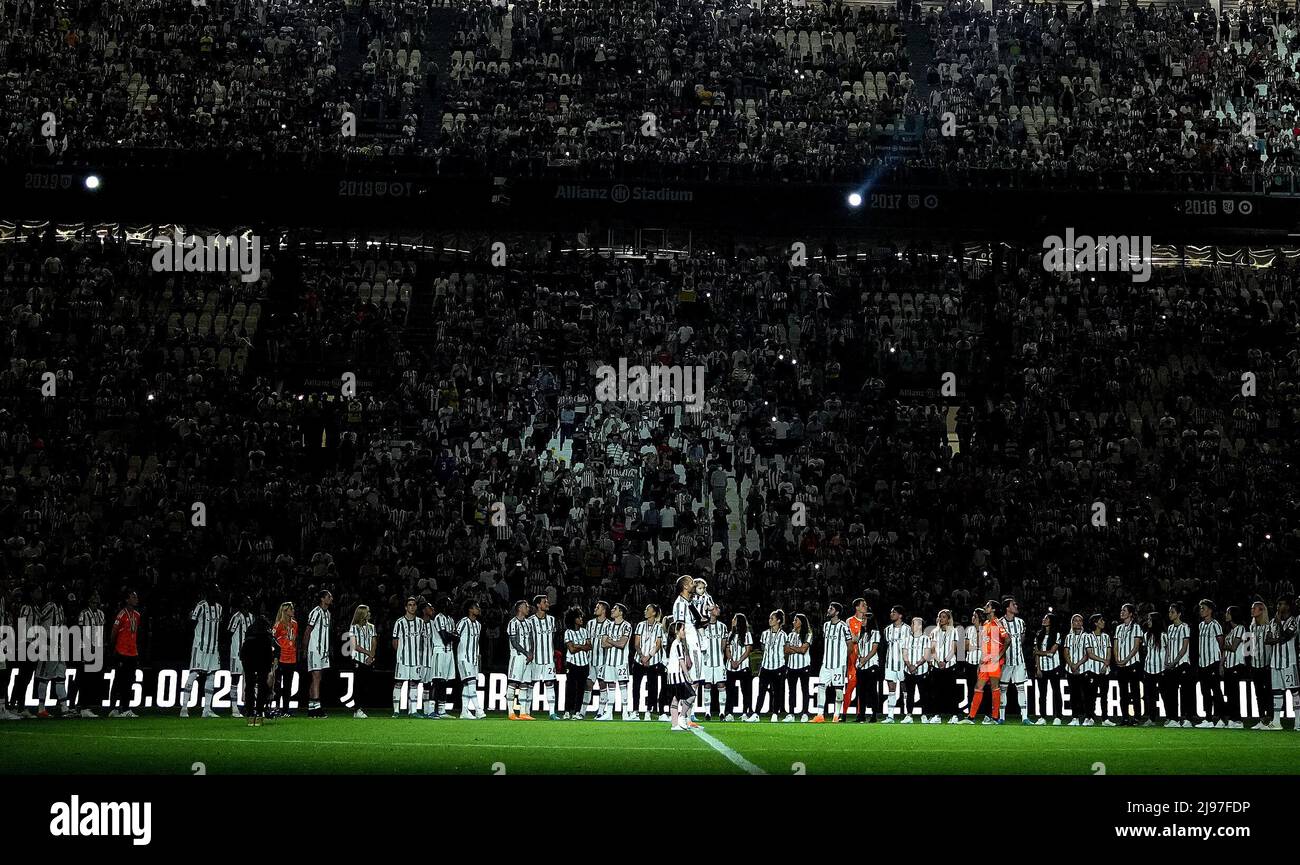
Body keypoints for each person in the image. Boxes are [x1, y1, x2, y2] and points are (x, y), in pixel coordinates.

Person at [181, 586, 223, 719]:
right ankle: (184, 708)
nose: (216, 593)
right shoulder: (200, 606)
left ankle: (207, 709)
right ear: (208, 593)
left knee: (212, 675)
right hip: (200, 646)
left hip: (213, 647)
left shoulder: (219, 608)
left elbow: (218, 628)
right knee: (193, 673)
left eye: (217, 591)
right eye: (214, 591)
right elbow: (191, 624)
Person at [964, 600, 1008, 725]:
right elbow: (984, 645)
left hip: (994, 662)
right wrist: (980, 662)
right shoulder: (987, 623)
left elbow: (1008, 640)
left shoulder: (997, 623)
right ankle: (971, 717)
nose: (985, 607)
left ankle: (994, 718)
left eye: (987, 606)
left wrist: (998, 656)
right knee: (978, 687)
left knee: (994, 687)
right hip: (985, 662)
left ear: (993, 609)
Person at [33, 589, 71, 718]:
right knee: (44, 677)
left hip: (59, 647)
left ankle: (64, 708)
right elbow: (37, 619)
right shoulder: (50, 606)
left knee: (60, 677)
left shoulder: (60, 608)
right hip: (48, 647)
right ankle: (41, 709)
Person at [811, 602, 851, 723]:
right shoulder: (826, 625)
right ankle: (820, 715)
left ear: (837, 612)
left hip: (838, 665)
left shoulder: (844, 626)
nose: (828, 610)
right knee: (821, 687)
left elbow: (850, 645)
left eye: (831, 608)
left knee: (838, 690)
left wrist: (843, 659)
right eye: (829, 607)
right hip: (826, 664)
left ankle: (836, 715)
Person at [1263, 595, 1298, 731]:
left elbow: (1286, 637)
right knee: (1277, 692)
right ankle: (1277, 722)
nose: (1279, 607)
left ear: (1288, 606)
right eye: (1278, 604)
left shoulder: (1292, 621)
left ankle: (1298, 722)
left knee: (1294, 691)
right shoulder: (1272, 622)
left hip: (1289, 662)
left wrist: (1278, 629)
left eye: (1282, 604)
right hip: (1275, 662)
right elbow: (1267, 640)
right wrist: (1279, 637)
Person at [107, 590, 141, 719]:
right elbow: (113, 633)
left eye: (136, 596)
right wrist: (114, 649)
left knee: (129, 681)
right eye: (133, 597)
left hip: (133, 653)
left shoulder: (137, 615)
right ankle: (113, 708)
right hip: (121, 652)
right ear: (127, 600)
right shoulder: (121, 614)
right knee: (119, 681)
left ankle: (125, 708)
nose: (136, 599)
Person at [240, 616, 279, 727]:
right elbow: (272, 645)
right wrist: (272, 660)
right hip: (263, 654)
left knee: (250, 685)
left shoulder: (250, 628)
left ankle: (250, 713)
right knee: (262, 685)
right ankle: (259, 712)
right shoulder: (267, 630)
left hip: (248, 655)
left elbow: (245, 644)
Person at [71, 592, 105, 719]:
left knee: (91, 679)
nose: (95, 600)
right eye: (93, 598)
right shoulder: (84, 613)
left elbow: (102, 631)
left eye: (97, 598)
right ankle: (79, 706)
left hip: (97, 649)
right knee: (82, 678)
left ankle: (84, 705)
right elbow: (80, 630)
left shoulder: (101, 614)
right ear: (89, 601)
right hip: (85, 649)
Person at [1195, 599, 1228, 728]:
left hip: (1213, 662)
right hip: (1202, 663)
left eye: (1203, 608)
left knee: (1216, 691)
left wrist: (1221, 663)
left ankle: (1220, 718)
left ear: (1210, 610)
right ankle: (1208, 718)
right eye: (1200, 608)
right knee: (1205, 692)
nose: (1201, 610)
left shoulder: (1216, 625)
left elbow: (1222, 645)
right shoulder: (1201, 625)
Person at [598, 603, 634, 721]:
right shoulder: (608, 625)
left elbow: (622, 644)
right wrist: (615, 641)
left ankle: (625, 713)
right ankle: (609, 713)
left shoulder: (627, 626)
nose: (612, 610)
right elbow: (603, 644)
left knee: (623, 686)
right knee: (610, 686)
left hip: (621, 661)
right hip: (609, 661)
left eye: (615, 609)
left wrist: (610, 640)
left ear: (621, 612)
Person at [998, 597, 1030, 725]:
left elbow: (1022, 640)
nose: (1016, 606)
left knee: (1021, 688)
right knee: (1003, 689)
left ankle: (1025, 717)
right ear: (1007, 608)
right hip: (1005, 662)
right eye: (1013, 604)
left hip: (1019, 661)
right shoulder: (1000, 623)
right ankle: (1001, 717)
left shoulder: (1021, 622)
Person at [632, 603, 666, 721]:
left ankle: (648, 711)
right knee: (636, 686)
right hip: (639, 659)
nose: (645, 611)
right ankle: (635, 711)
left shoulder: (659, 627)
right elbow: (636, 644)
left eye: (648, 609)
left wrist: (648, 657)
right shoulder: (640, 625)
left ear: (654, 613)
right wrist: (642, 656)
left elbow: (658, 645)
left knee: (653, 687)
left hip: (653, 661)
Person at [1163, 602, 1194, 728]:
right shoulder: (1170, 628)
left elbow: (1184, 647)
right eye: (1169, 612)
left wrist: (1174, 662)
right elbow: (1168, 647)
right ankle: (1173, 718)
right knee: (1171, 693)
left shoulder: (1185, 627)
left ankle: (1187, 718)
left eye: (1172, 612)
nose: (1170, 614)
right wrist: (1166, 660)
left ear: (1179, 614)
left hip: (1182, 664)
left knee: (1185, 693)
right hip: (1171, 665)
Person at [302, 589, 333, 718]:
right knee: (316, 677)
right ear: (322, 598)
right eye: (329, 596)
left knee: (317, 678)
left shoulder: (328, 614)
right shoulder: (316, 612)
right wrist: (304, 648)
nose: (331, 599)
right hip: (314, 649)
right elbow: (308, 630)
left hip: (323, 651)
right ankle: (316, 708)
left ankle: (312, 708)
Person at [1112, 603, 1143, 725]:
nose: (1122, 612)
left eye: (1124, 610)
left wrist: (1125, 660)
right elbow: (1115, 645)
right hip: (1121, 665)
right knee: (1123, 692)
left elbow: (1136, 647)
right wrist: (1118, 660)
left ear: (1130, 613)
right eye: (1121, 610)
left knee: (1135, 692)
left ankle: (1136, 717)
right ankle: (1124, 717)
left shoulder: (1136, 627)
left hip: (1132, 664)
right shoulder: (1118, 628)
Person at [428, 596, 458, 720]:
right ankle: (430, 711)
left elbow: (454, 636)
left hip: (449, 653)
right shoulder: (439, 618)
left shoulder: (450, 619)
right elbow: (445, 638)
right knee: (437, 681)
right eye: (449, 603)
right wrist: (453, 636)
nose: (451, 605)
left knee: (444, 682)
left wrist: (451, 636)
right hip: (440, 651)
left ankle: (442, 710)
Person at [392, 597, 423, 718]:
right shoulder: (399, 622)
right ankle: (396, 710)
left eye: (414, 605)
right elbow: (395, 641)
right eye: (410, 605)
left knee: (414, 684)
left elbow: (421, 641)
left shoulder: (420, 622)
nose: (412, 607)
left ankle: (413, 711)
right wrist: (400, 653)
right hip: (403, 659)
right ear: (406, 607)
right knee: (399, 683)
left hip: (415, 659)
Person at [580, 600, 611, 720]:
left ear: (603, 610)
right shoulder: (590, 623)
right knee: (588, 685)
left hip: (603, 660)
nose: (595, 608)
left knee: (603, 684)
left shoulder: (609, 624)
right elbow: (587, 641)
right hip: (590, 660)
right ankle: (582, 711)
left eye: (598, 607)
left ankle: (601, 711)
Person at [665, 621, 697, 731]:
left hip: (671, 676)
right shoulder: (677, 644)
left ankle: (675, 725)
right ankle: (682, 716)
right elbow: (681, 661)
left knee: (675, 700)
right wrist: (687, 675)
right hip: (677, 676)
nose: (684, 632)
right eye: (683, 629)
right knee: (692, 695)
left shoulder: (675, 643)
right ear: (677, 631)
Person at [930, 609, 961, 724]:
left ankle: (954, 715)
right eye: (940, 616)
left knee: (951, 691)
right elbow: (932, 650)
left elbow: (954, 649)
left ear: (948, 619)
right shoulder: (934, 632)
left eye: (944, 617)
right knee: (936, 692)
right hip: (937, 665)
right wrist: (938, 661)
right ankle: (937, 715)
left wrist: (944, 661)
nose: (941, 619)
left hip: (950, 664)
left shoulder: (954, 631)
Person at [455, 600, 485, 719]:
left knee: (468, 685)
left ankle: (464, 711)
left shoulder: (478, 624)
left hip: (474, 659)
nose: (479, 609)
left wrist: (478, 656)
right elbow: (455, 637)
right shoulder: (463, 622)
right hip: (464, 657)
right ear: (470, 610)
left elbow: (476, 642)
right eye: (476, 607)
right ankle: (478, 709)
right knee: (471, 682)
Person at [1032, 613, 1063, 725]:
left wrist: (1039, 652)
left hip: (1054, 667)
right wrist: (1038, 669)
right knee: (1042, 694)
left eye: (1047, 618)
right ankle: (1042, 717)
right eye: (1044, 617)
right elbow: (1036, 655)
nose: (1044, 619)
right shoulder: (1038, 634)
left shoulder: (1057, 634)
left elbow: (1052, 652)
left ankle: (1058, 716)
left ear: (1052, 621)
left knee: (1056, 692)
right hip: (1042, 668)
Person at [346, 605, 377, 719]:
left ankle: (360, 708)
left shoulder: (371, 627)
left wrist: (371, 655)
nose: (369, 613)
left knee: (366, 685)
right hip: (358, 659)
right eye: (368, 611)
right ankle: (357, 709)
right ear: (362, 613)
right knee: (358, 685)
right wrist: (368, 653)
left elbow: (374, 641)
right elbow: (354, 645)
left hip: (369, 660)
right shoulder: (353, 627)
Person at [723, 612, 755, 722]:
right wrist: (731, 660)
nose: (732, 620)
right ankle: (729, 713)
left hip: (743, 666)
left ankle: (745, 712)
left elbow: (748, 650)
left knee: (745, 691)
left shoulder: (747, 634)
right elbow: (727, 649)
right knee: (730, 691)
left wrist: (738, 661)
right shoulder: (730, 634)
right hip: (731, 666)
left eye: (734, 619)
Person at [757, 609, 787, 722]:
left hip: (778, 666)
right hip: (766, 667)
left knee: (777, 692)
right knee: (761, 692)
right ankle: (756, 713)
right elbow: (763, 649)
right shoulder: (764, 634)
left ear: (778, 620)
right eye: (770, 618)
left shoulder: (784, 635)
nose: (769, 620)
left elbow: (785, 651)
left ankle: (775, 714)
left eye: (772, 618)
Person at [1246, 601, 1272, 730]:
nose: (1252, 611)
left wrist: (1270, 662)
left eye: (1254, 609)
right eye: (1252, 609)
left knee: (1268, 693)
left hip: (1266, 665)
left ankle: (1271, 719)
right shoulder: (1251, 627)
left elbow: (1271, 647)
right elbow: (1247, 647)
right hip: (1255, 665)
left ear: (1262, 611)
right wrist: (1249, 661)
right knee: (1258, 694)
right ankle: (1262, 719)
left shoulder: (1269, 627)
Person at [1085, 613, 1115, 726]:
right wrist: (1104, 661)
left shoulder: (1106, 636)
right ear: (1095, 623)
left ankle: (1105, 719)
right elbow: (1090, 654)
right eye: (1101, 620)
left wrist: (1105, 664)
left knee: (1104, 696)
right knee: (1091, 696)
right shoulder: (1088, 636)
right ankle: (1090, 717)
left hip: (1104, 670)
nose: (1103, 622)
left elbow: (1109, 652)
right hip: (1093, 670)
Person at [698, 603, 728, 719]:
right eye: (716, 607)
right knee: (707, 685)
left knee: (721, 685)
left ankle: (722, 712)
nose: (718, 609)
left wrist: (720, 656)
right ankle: (707, 712)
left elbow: (723, 645)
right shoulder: (702, 626)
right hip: (706, 661)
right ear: (710, 611)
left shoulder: (722, 626)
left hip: (719, 661)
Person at [840, 598, 868, 718]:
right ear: (857, 607)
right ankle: (844, 714)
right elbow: (853, 639)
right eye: (863, 605)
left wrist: (856, 637)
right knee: (850, 686)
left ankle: (859, 714)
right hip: (852, 659)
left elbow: (857, 638)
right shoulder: (850, 621)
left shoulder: (868, 621)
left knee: (862, 689)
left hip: (865, 659)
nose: (865, 606)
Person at [505, 600, 533, 720]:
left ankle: (522, 712)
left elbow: (531, 639)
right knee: (513, 682)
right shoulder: (512, 623)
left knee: (524, 684)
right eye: (526, 606)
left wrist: (531, 653)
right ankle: (511, 712)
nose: (528, 608)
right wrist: (527, 653)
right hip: (517, 657)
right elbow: (514, 642)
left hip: (528, 658)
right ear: (520, 608)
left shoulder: (528, 623)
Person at [227, 597, 255, 719]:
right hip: (237, 654)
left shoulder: (252, 617)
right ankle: (234, 707)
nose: (248, 603)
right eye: (246, 602)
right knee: (235, 679)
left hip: (249, 654)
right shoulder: (236, 617)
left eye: (249, 602)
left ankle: (247, 707)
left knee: (249, 681)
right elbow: (229, 633)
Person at [880, 605, 908, 722]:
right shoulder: (887, 629)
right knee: (891, 689)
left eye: (894, 612)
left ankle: (908, 715)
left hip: (903, 664)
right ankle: (890, 715)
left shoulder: (907, 629)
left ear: (900, 615)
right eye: (891, 612)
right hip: (890, 664)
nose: (891, 614)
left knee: (905, 689)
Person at [901, 616, 931, 724]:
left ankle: (924, 715)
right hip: (909, 670)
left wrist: (916, 665)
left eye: (914, 624)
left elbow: (926, 655)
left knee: (923, 693)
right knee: (910, 694)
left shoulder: (926, 639)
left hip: (922, 670)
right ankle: (909, 715)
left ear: (920, 626)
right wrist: (909, 665)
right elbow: (904, 654)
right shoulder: (907, 639)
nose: (912, 626)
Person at [1221, 605, 1247, 730]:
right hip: (1229, 665)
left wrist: (1223, 645)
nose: (1226, 615)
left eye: (1228, 612)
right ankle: (1232, 718)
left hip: (1236, 664)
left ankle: (1238, 719)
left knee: (1234, 693)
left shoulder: (1240, 628)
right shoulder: (1231, 631)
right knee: (1230, 694)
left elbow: (1233, 647)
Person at [853, 611, 881, 722]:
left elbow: (874, 649)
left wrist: (864, 659)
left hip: (871, 665)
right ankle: (861, 715)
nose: (862, 621)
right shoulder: (861, 633)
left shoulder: (875, 632)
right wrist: (860, 657)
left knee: (873, 691)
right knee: (861, 691)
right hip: (861, 666)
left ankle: (874, 715)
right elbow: (858, 647)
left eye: (864, 619)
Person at [563, 607, 591, 719]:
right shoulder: (568, 632)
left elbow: (589, 646)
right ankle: (567, 711)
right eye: (579, 617)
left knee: (581, 688)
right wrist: (582, 646)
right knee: (570, 687)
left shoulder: (585, 631)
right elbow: (571, 649)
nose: (581, 618)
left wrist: (577, 645)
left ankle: (577, 712)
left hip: (584, 664)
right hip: (572, 663)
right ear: (573, 619)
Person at [1140, 611, 1167, 727]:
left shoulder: (1163, 635)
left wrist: (1166, 664)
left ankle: (1170, 717)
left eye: (1150, 620)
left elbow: (1168, 651)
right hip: (1148, 668)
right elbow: (1145, 650)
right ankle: (1151, 718)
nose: (1148, 622)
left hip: (1161, 668)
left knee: (1165, 694)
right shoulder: (1146, 635)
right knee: (1149, 696)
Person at [785, 612, 813, 721]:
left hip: (804, 666)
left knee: (804, 690)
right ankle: (791, 714)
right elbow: (786, 650)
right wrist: (797, 648)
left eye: (795, 620)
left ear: (801, 622)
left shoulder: (808, 634)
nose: (793, 622)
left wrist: (793, 648)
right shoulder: (790, 635)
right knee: (791, 691)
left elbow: (803, 650)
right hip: (791, 666)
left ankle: (805, 713)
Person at [272, 602, 298, 717]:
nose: (293, 610)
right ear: (285, 611)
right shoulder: (278, 625)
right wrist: (275, 657)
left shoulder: (295, 624)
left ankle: (286, 709)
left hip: (291, 657)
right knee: (277, 685)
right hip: (280, 658)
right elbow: (272, 641)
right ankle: (277, 707)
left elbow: (294, 639)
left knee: (288, 685)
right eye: (291, 609)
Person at [958, 608, 981, 716]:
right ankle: (971, 712)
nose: (972, 618)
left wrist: (974, 646)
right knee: (970, 688)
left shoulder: (986, 629)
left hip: (982, 664)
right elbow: (965, 646)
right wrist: (977, 646)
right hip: (970, 663)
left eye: (974, 616)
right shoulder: (969, 629)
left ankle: (983, 712)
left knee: (982, 688)